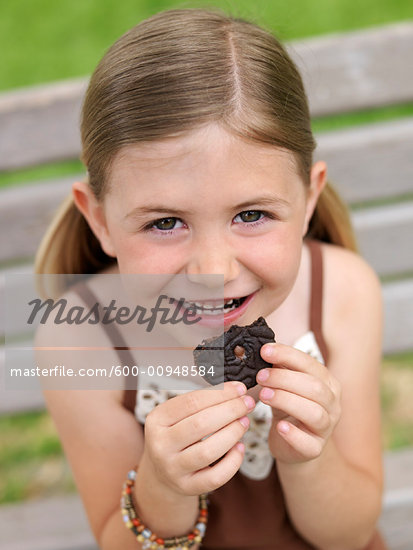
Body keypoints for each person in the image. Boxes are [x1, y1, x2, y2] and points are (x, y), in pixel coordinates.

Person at [34, 8, 388, 550]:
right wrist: (163, 487)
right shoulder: (81, 339)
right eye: (165, 223)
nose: (212, 272)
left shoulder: (343, 293)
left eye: (251, 215)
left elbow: (350, 534)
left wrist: (305, 459)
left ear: (308, 197)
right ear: (101, 220)